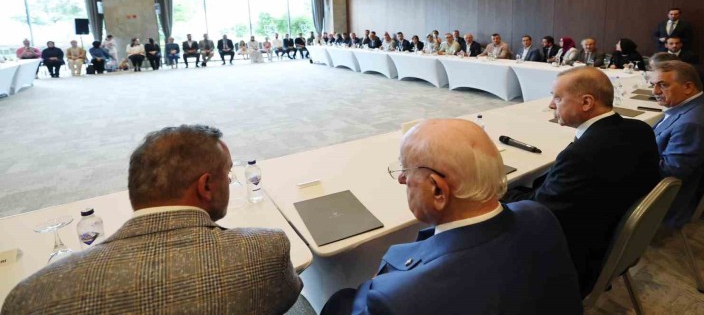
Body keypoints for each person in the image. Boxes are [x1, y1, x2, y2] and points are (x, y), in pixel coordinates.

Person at [2, 125, 302, 314]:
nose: (230, 179)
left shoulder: (32, 297)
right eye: (227, 172)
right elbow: (286, 298)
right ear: (206, 185)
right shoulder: (265, 248)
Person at [322, 119, 582, 315]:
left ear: (437, 190)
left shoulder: (396, 298)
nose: (401, 179)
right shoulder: (537, 213)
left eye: (406, 170)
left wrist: (379, 283)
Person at [506, 67, 661, 296]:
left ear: (587, 102)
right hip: (613, 240)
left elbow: (538, 214)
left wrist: (500, 192)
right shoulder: (640, 129)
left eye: (558, 98)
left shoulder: (580, 156)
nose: (551, 105)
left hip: (576, 262)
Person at [650, 61, 704, 227]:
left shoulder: (692, 124)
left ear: (688, 87)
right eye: (653, 85)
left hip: (675, 199)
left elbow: (670, 172)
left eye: (663, 85)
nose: (655, 91)